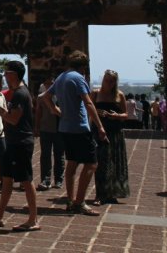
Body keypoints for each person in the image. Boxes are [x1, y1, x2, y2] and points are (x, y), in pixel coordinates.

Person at [40, 50, 107, 216]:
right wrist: (100, 126)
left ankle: (70, 200)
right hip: (79, 127)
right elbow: (89, 103)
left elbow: (45, 96)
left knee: (72, 163)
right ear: (83, 66)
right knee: (91, 164)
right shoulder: (78, 78)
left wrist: (56, 110)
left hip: (64, 127)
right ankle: (79, 201)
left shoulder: (62, 77)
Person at [0, 60, 40, 231]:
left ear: (14, 74)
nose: (4, 75)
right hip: (12, 142)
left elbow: (13, 119)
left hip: (21, 142)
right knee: (6, 178)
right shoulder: (15, 92)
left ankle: (33, 220)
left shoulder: (20, 93)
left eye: (7, 72)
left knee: (26, 180)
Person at [93, 70, 129, 205]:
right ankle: (100, 194)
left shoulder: (120, 95)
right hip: (100, 131)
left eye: (111, 81)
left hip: (116, 132)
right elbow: (88, 109)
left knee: (115, 163)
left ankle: (112, 193)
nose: (108, 83)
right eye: (106, 80)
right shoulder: (96, 93)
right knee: (101, 163)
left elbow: (126, 115)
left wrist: (116, 116)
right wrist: (98, 112)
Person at [34, 76, 64, 192]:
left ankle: (59, 180)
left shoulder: (61, 95)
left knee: (59, 155)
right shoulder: (41, 97)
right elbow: (38, 112)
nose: (49, 85)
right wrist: (36, 127)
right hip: (45, 128)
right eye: (47, 83)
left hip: (59, 129)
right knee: (45, 155)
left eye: (51, 83)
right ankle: (45, 180)